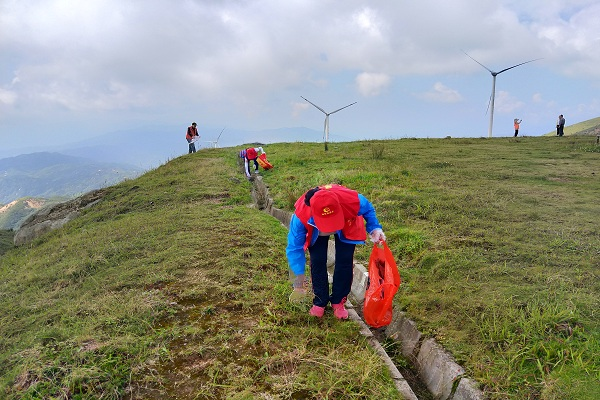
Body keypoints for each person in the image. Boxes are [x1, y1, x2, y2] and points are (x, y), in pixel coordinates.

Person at [286, 184, 386, 319]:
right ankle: (320, 301)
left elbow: (368, 208)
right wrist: (298, 282)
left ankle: (338, 301)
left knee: (344, 260)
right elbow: (294, 249)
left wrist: (374, 228)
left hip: (347, 222)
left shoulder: (351, 200)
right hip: (316, 228)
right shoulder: (302, 216)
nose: (331, 230)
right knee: (317, 260)